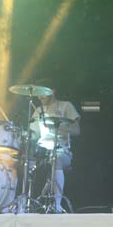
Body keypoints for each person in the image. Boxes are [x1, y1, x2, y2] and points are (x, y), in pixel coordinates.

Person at [30, 79, 81, 213]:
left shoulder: (65, 106)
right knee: (21, 161)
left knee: (55, 160)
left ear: (52, 91)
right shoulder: (38, 111)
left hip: (61, 150)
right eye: (38, 94)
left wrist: (56, 128)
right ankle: (21, 201)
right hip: (41, 149)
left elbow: (77, 130)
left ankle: (56, 204)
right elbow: (33, 134)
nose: (39, 97)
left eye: (43, 93)